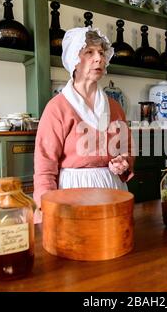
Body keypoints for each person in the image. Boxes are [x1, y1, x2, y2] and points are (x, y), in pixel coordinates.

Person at [33, 26, 134, 223]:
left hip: (112, 189)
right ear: (74, 61)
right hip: (72, 193)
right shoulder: (57, 108)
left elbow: (127, 148)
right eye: (89, 52)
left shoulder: (115, 107)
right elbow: (45, 166)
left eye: (102, 53)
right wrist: (45, 207)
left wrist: (124, 162)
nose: (99, 58)